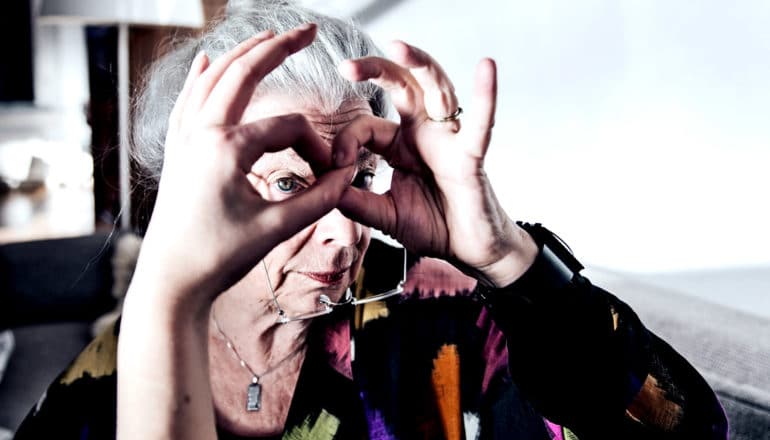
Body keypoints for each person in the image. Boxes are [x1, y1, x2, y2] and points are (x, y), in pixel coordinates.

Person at [15, 2, 728, 439]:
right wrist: (166, 299)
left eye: (357, 178)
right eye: (290, 182)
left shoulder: (436, 324)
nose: (343, 229)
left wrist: (504, 252)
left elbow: (678, 431)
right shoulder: (104, 385)